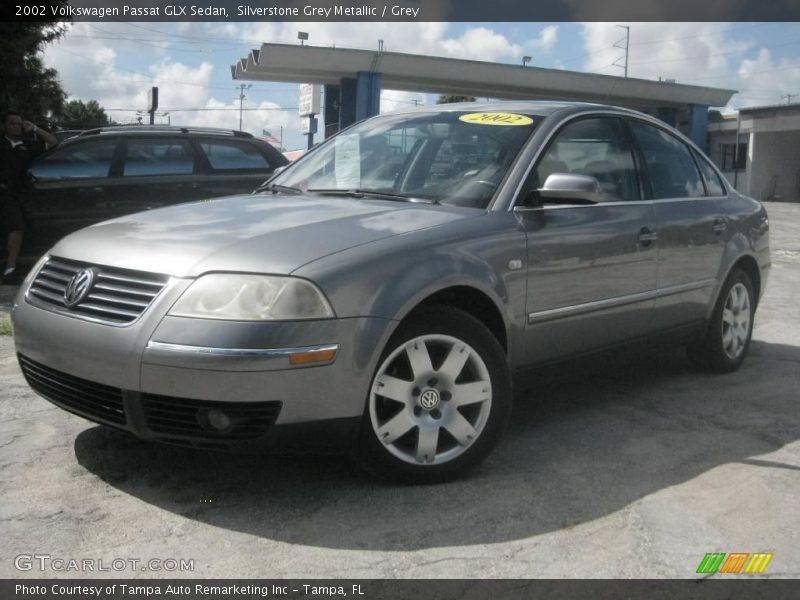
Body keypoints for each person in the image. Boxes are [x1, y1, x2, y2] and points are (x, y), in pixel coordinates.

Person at [0, 110, 58, 284]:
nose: (16, 127)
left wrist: (34, 128)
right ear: (5, 125)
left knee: (16, 226)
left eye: (19, 123)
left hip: (18, 194)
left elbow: (54, 142)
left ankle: (10, 270)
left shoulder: (29, 144)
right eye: (12, 123)